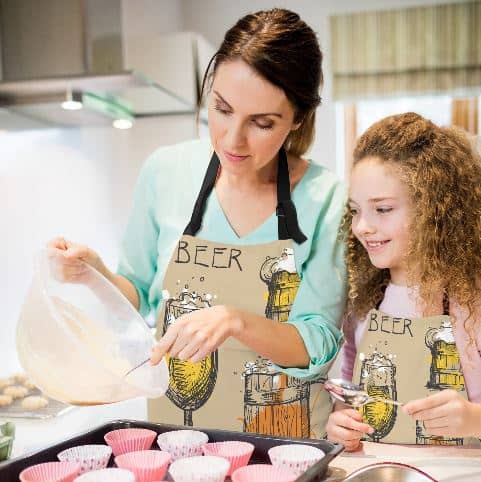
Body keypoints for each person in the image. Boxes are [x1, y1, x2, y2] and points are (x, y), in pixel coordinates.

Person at [48, 8, 346, 438]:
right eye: (222, 109)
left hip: (286, 443)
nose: (232, 139)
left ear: (297, 119)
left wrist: (236, 320)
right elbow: (141, 296)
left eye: (262, 123)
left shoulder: (325, 197)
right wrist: (95, 273)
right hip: (179, 442)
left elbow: (316, 343)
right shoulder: (165, 172)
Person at [326, 112, 481, 450]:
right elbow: (349, 400)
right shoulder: (362, 305)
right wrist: (340, 425)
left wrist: (473, 419)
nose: (362, 226)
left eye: (382, 209)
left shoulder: (473, 302)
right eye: (355, 210)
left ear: (433, 210)